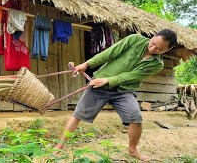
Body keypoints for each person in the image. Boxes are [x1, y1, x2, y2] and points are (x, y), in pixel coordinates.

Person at [54, 29, 178, 161]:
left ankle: (132, 150)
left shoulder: (157, 65)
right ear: (153, 36)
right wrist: (87, 64)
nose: (153, 48)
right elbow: (110, 53)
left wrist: (108, 81)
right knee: (78, 114)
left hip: (124, 90)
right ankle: (59, 146)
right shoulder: (134, 40)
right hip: (99, 82)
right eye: (153, 43)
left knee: (135, 118)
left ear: (166, 51)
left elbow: (132, 76)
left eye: (159, 49)